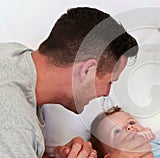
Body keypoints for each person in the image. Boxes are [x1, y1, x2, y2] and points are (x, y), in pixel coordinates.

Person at [0, 7, 138, 158]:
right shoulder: (14, 123)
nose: (106, 93)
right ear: (87, 70)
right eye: (109, 82)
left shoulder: (13, 54)